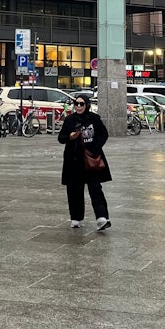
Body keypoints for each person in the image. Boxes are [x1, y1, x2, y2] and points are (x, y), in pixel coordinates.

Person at [56, 92, 112, 230]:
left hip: (91, 159)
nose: (79, 106)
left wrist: (95, 147)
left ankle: (102, 217)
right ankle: (76, 218)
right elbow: (61, 138)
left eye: (82, 104)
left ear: (87, 105)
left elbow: (103, 134)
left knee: (95, 188)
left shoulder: (94, 118)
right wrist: (70, 136)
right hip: (74, 160)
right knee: (74, 190)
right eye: (76, 104)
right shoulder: (70, 120)